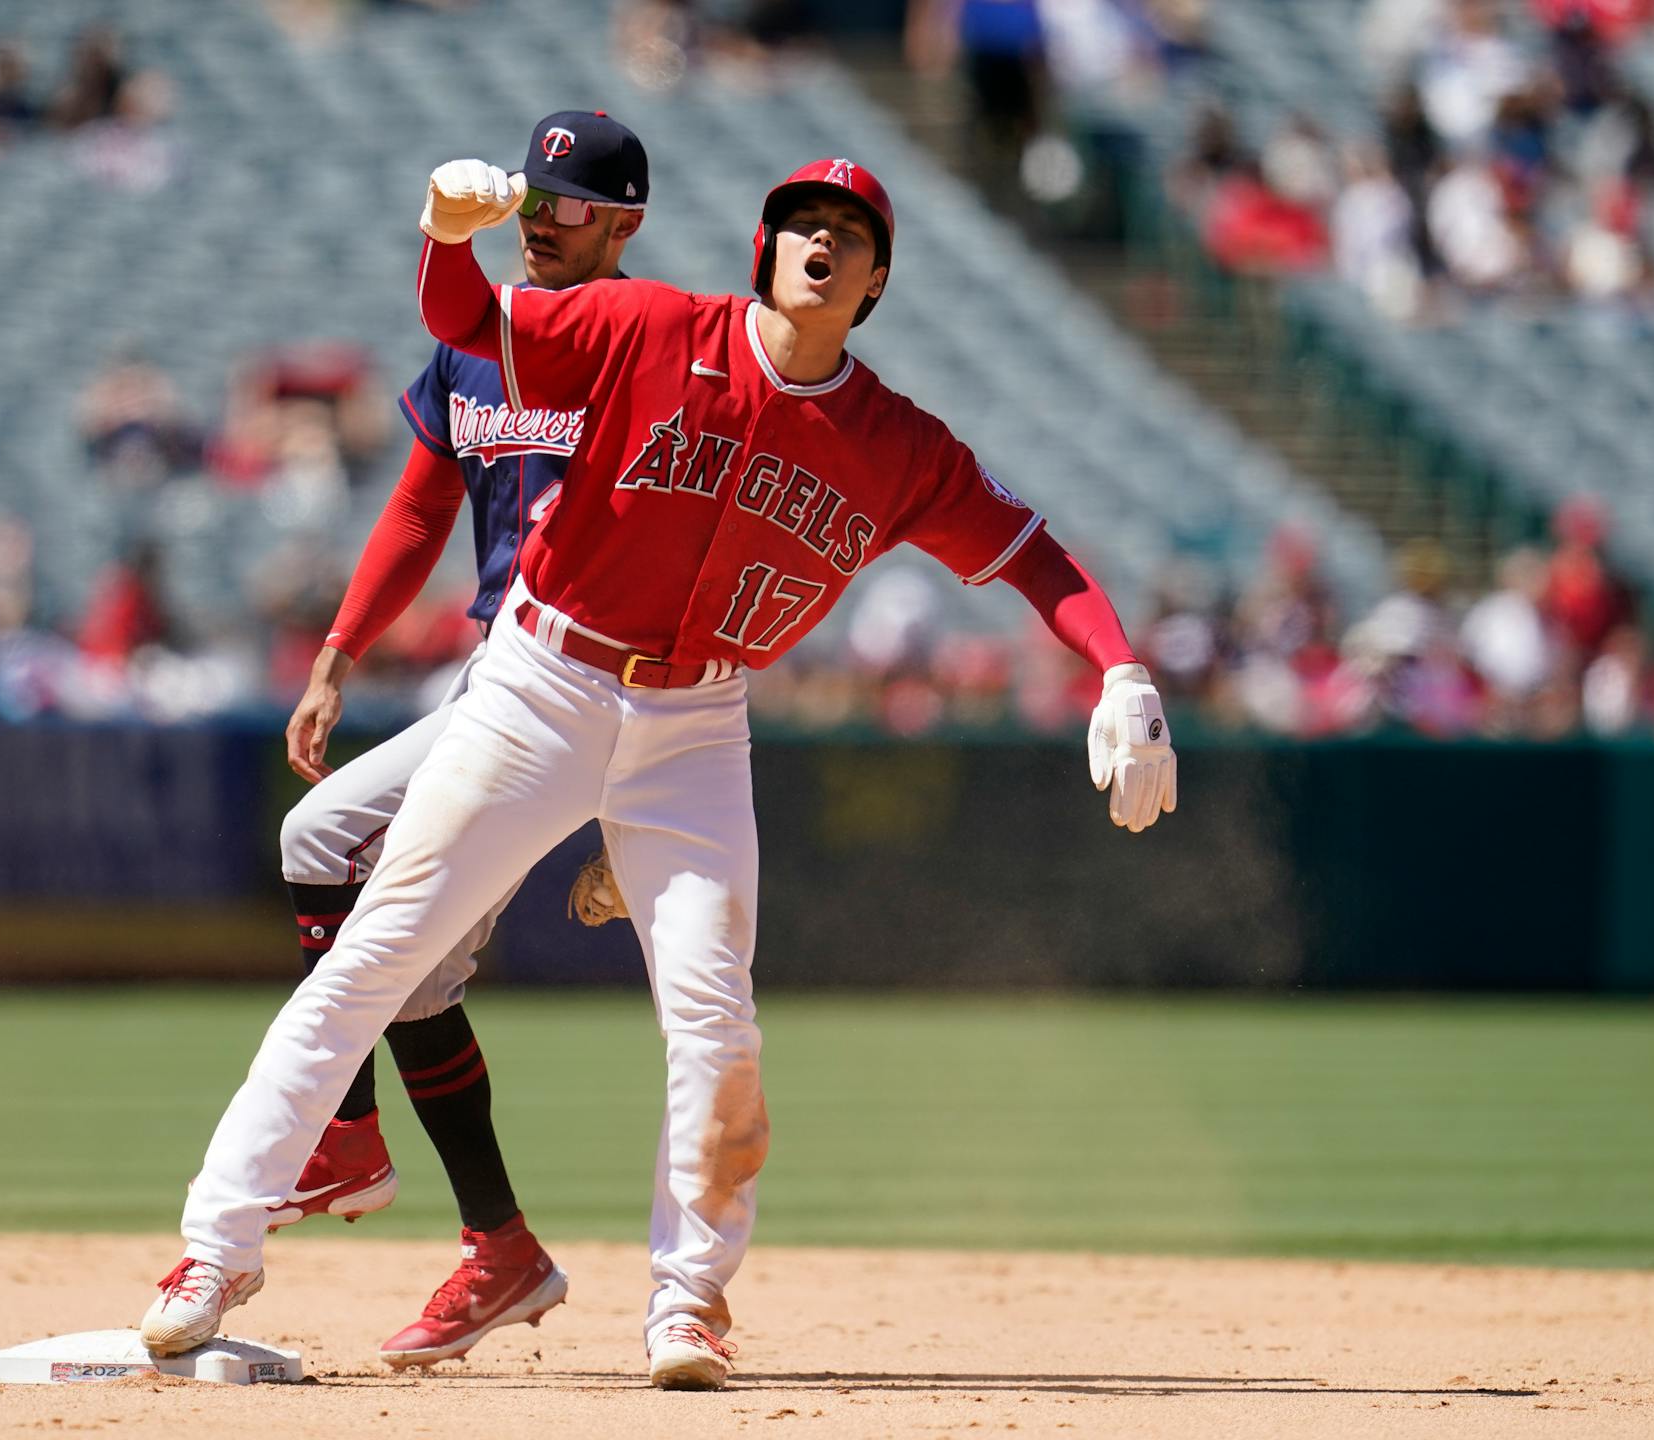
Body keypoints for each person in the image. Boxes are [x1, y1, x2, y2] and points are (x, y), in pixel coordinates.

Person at [137, 149, 1177, 1391]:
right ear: (767, 247)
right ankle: (214, 1247)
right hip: (540, 682)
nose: (820, 243)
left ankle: (687, 1303)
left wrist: (1121, 669)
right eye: (801, 223)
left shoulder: (897, 445)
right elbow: (466, 324)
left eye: (847, 231)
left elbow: (1033, 556)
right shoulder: (650, 326)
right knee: (375, 954)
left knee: (715, 1018)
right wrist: (443, 234)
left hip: (696, 726)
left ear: (877, 279)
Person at [249, 112, 650, 1371]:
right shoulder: (482, 351)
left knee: (322, 837)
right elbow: (424, 503)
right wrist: (339, 651)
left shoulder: (649, 349)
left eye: (568, 204)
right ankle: (500, 1247)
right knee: (409, 969)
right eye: (531, 198)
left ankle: (352, 1138)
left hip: (601, 684)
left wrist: (628, 807)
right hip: (498, 676)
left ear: (626, 222)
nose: (539, 218)